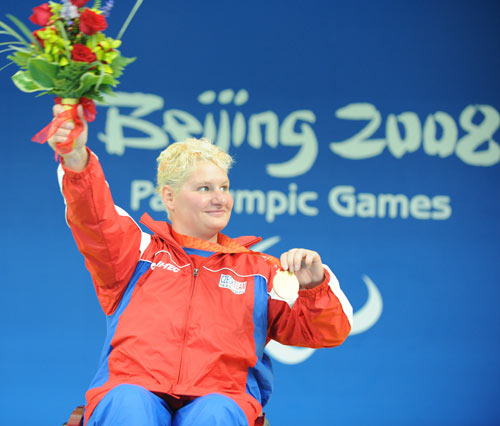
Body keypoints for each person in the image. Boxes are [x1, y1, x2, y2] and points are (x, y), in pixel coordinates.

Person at [49, 104, 353, 426]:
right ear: (169, 196)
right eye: (204, 189)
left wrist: (314, 285)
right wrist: (75, 158)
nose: (220, 198)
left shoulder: (262, 271)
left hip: (222, 397)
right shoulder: (135, 251)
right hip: (134, 388)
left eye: (224, 187)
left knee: (216, 412)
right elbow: (93, 216)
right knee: (128, 402)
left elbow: (325, 333)